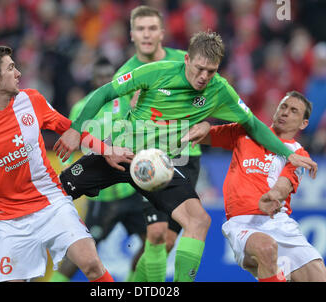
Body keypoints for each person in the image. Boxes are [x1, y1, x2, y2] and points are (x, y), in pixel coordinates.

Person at [54, 31, 318, 282]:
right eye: (199, 68)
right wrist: (76, 129)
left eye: (211, 71)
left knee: (199, 220)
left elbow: (252, 124)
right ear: (187, 59)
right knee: (53, 193)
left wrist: (286, 153)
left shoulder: (220, 90)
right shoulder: (157, 71)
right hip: (118, 153)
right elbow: (106, 92)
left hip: (157, 167)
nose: (204, 76)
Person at [0, 46, 132, 282]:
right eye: (11, 68)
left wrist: (107, 150)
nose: (19, 73)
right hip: (10, 222)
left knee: (92, 264)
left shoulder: (32, 100)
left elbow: (71, 130)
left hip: (52, 203)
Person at [183, 91, 326, 282]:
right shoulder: (245, 132)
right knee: (266, 248)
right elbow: (204, 135)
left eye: (294, 111)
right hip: (243, 223)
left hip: (279, 223)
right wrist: (201, 125)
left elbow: (285, 183)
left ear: (304, 123)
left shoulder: (298, 154)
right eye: (283, 107)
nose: (285, 113)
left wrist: (274, 196)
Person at [112, 5, 203, 282]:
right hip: (149, 159)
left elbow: (204, 95)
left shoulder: (184, 61)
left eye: (152, 28)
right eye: (141, 29)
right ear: (132, 34)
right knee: (155, 234)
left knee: (167, 242)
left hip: (187, 156)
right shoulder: (125, 75)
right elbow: (117, 126)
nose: (147, 34)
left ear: (162, 32)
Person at [50, 57, 147, 282]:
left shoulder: (124, 100)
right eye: (100, 75)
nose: (104, 79)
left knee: (153, 241)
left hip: (129, 190)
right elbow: (74, 143)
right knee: (81, 255)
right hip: (102, 197)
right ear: (92, 78)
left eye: (108, 75)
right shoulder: (81, 108)